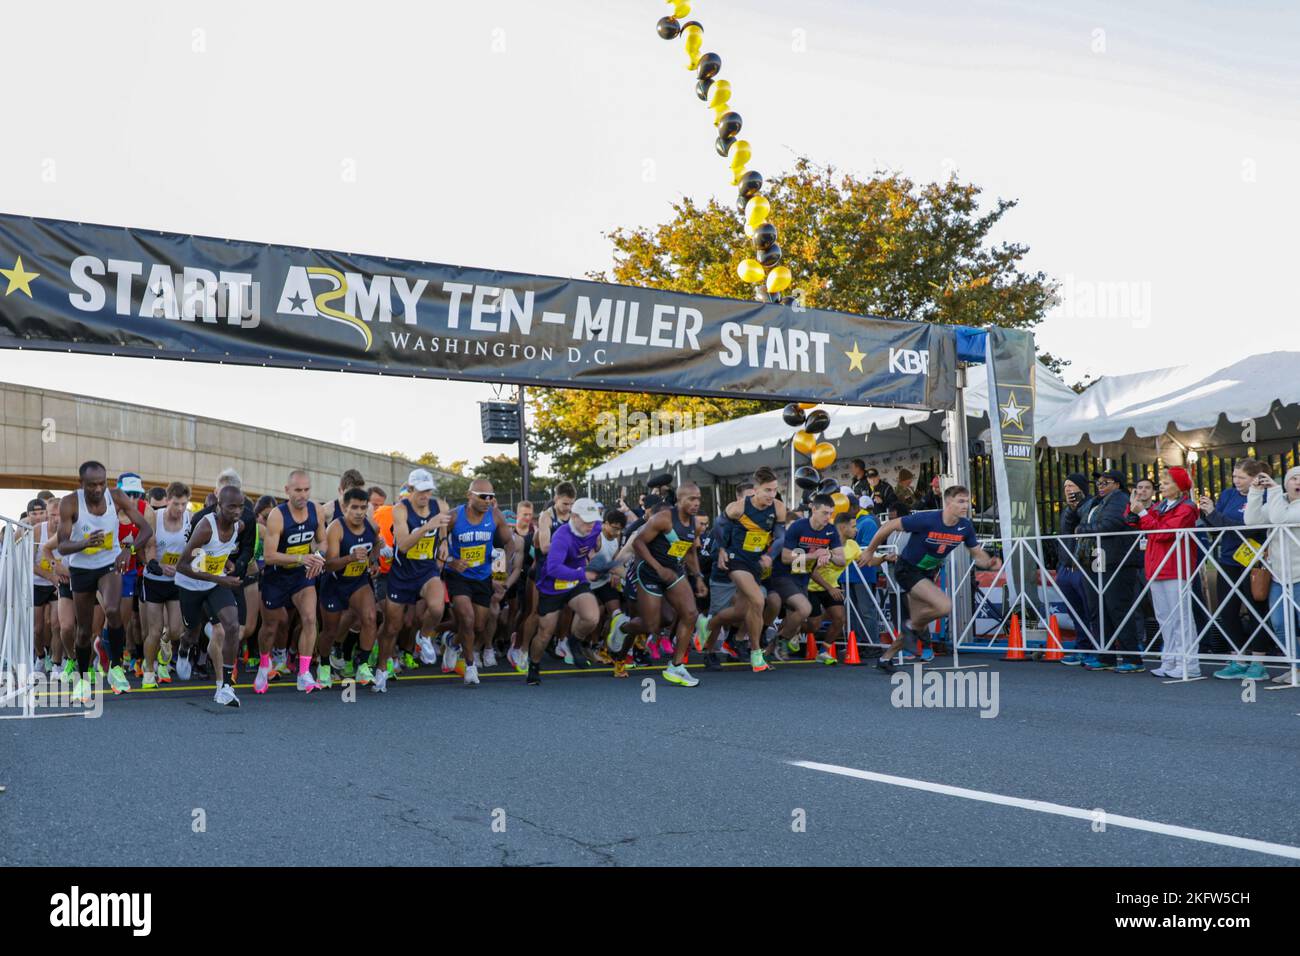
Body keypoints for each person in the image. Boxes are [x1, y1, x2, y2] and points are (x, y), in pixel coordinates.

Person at [861, 485, 1001, 673]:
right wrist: (870, 551)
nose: (965, 505)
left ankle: (885, 659)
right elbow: (889, 526)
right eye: (961, 501)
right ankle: (910, 627)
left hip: (927, 573)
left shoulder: (965, 526)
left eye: (967, 501)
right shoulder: (928, 519)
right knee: (944, 606)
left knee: (917, 625)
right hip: (907, 569)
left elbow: (977, 555)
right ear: (948, 502)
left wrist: (990, 562)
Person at [57, 461, 155, 701]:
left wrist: (128, 550)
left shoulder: (117, 497)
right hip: (81, 568)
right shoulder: (70, 503)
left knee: (113, 611)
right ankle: (82, 679)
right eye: (92, 485)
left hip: (109, 565)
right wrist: (85, 543)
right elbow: (62, 545)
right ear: (81, 484)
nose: (98, 489)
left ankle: (116, 667)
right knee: (83, 630)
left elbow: (145, 530)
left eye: (102, 483)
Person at [608, 482, 707, 687]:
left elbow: (689, 552)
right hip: (649, 573)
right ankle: (622, 627)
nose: (696, 503)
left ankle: (676, 666)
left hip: (673, 573)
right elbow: (638, 544)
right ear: (680, 500)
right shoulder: (663, 519)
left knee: (690, 613)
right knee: (652, 625)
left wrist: (697, 577)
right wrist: (658, 567)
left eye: (698, 499)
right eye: (691, 499)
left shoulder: (695, 524)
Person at [257, 469, 327, 694]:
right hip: (276, 577)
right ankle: (264, 664)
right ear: (287, 490)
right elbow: (269, 556)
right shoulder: (277, 515)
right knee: (270, 627)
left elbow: (323, 541)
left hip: (301, 576)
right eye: (298, 490)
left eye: (307, 490)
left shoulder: (316, 510)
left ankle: (304, 673)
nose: (303, 495)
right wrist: (300, 557)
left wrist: (319, 556)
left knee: (309, 618)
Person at [174, 486, 245, 707]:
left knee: (232, 626)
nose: (237, 511)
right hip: (191, 584)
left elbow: (216, 553)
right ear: (218, 506)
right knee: (192, 633)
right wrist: (221, 579)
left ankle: (224, 687)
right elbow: (182, 566)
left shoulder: (239, 526)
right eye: (231, 506)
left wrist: (227, 564)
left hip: (214, 583)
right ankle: (184, 650)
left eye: (240, 506)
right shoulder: (205, 528)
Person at [1202, 459, 1273, 680]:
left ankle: (1259, 661)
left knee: (1256, 610)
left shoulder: (1265, 496)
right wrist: (1208, 514)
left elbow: (1248, 528)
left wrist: (1215, 514)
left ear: (1255, 478)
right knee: (1227, 609)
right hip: (1228, 559)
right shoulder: (1228, 495)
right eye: (1234, 476)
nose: (1236, 481)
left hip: (1255, 561)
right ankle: (1237, 658)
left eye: (1241, 477)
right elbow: (1216, 526)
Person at [382, 469, 451, 693]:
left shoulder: (439, 505)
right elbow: (402, 545)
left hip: (426, 570)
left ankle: (424, 637)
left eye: (428, 490)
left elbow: (443, 525)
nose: (425, 495)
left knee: (437, 607)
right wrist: (426, 527)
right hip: (402, 574)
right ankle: (382, 668)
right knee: (393, 627)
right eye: (421, 491)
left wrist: (442, 540)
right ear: (410, 490)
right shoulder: (400, 510)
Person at [443, 478, 516, 685]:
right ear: (470, 496)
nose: (488, 501)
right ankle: (470, 666)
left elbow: (509, 543)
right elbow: (435, 544)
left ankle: (451, 641)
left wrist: (501, 573)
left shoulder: (495, 515)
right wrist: (451, 561)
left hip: (483, 576)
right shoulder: (454, 516)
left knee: (477, 626)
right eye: (483, 496)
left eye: (491, 497)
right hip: (459, 576)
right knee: (466, 619)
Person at [527, 497, 605, 686]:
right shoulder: (562, 536)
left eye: (593, 520)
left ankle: (574, 641)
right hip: (553, 584)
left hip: (576, 581)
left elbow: (592, 548)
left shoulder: (595, 528)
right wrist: (583, 573)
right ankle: (534, 665)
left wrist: (596, 563)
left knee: (592, 616)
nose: (591, 524)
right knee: (545, 633)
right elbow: (554, 568)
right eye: (586, 520)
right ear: (574, 517)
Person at [718, 466, 788, 673]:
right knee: (759, 600)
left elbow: (781, 537)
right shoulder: (737, 508)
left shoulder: (778, 508)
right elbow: (718, 527)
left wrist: (770, 554)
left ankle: (712, 625)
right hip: (735, 559)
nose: (771, 495)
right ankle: (756, 652)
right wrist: (721, 549)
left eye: (774, 490)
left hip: (756, 562)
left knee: (744, 609)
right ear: (755, 490)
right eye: (767, 490)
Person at [1075, 469, 1146, 672]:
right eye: (1098, 483)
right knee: (1099, 610)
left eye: (1105, 482)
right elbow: (1079, 517)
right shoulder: (1096, 502)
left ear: (1117, 484)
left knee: (1118, 608)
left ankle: (1132, 657)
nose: (1100, 486)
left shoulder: (1120, 499)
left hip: (1117, 561)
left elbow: (1110, 524)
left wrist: (1082, 530)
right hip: (1097, 560)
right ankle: (1105, 655)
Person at [1131, 467, 1199, 678]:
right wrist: (1138, 504)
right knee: (1164, 617)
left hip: (1175, 566)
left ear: (1179, 487)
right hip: (1157, 565)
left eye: (1168, 483)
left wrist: (1142, 512)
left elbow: (1162, 533)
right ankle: (1169, 659)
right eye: (1163, 482)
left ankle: (1188, 662)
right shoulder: (1161, 506)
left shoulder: (1187, 508)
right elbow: (1137, 522)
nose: (1163, 486)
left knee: (1181, 617)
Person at [318, 486, 381, 688]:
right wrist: (352, 557)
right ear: (344, 507)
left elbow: (377, 544)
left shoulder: (370, 525)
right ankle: (325, 665)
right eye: (354, 507)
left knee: (371, 618)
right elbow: (328, 565)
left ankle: (363, 665)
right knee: (330, 630)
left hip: (358, 582)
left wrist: (373, 563)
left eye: (363, 507)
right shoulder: (335, 528)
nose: (359, 512)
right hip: (334, 583)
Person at [769, 494, 843, 663]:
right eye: (825, 513)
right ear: (813, 509)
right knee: (804, 609)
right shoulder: (798, 526)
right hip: (784, 575)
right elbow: (786, 557)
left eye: (831, 513)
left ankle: (767, 652)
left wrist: (829, 553)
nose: (828, 517)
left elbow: (841, 560)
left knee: (794, 620)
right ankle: (783, 641)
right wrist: (814, 555)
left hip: (802, 577)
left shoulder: (830, 531)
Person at [1245, 465, 1300, 684]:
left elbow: (1280, 518)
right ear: (1287, 482)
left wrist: (1275, 490)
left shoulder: (1284, 502)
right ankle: (1295, 667)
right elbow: (1252, 520)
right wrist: (1256, 492)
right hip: (1278, 575)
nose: (1297, 482)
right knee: (1279, 623)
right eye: (1293, 478)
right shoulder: (1278, 501)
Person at [139, 482, 192, 688]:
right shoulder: (154, 517)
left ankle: (164, 646)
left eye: (184, 504)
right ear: (168, 500)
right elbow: (146, 547)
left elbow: (194, 548)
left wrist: (185, 566)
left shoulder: (189, 519)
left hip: (177, 581)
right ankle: (149, 671)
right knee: (154, 629)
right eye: (176, 504)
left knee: (176, 630)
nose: (180, 509)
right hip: (154, 580)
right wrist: (156, 566)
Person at [1056, 472, 1100, 665]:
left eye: (1071, 486)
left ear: (1082, 488)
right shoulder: (1067, 509)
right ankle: (1082, 646)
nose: (1068, 490)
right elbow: (1067, 530)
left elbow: (1086, 526)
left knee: (1091, 609)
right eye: (1065, 487)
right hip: (1066, 565)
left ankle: (1097, 648)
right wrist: (1071, 509)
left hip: (1085, 564)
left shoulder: (1092, 504)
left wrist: (1078, 507)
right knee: (1074, 611)